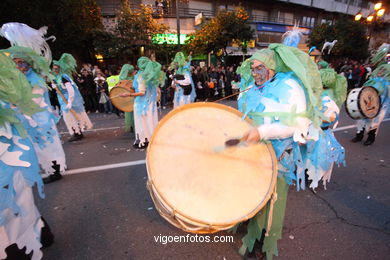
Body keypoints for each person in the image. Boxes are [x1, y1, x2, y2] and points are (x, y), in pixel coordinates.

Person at [236, 30, 326, 258]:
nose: (254, 73)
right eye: (253, 68)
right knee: (255, 195)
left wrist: (263, 131)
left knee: (274, 201)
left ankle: (267, 246)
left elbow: (298, 124)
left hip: (280, 155)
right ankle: (253, 236)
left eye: (260, 68)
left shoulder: (291, 88)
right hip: (256, 153)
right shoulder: (253, 87)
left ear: (272, 68)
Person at [0, 52, 54, 260]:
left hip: (15, 154)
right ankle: (41, 233)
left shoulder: (29, 84)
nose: (19, 67)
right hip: (14, 155)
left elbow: (34, 106)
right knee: (19, 205)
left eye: (20, 63)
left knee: (15, 207)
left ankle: (24, 244)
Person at [120, 57, 164, 149]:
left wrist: (128, 94)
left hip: (141, 103)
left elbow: (141, 92)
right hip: (150, 103)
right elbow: (157, 90)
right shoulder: (151, 75)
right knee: (150, 120)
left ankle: (144, 140)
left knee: (142, 122)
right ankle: (151, 138)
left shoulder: (140, 76)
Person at [351, 43, 389, 145]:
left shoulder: (386, 67)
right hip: (370, 95)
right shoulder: (376, 68)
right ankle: (359, 135)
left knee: (375, 117)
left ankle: (370, 138)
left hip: (381, 96)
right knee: (363, 114)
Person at [52, 53, 93, 142]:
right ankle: (77, 132)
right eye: (53, 68)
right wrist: (54, 86)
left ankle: (77, 133)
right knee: (70, 117)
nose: (54, 70)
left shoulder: (64, 77)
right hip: (63, 100)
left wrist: (70, 101)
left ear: (60, 68)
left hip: (68, 99)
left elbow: (71, 89)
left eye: (56, 68)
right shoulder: (56, 77)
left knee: (71, 117)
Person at [119, 64, 136, 132]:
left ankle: (131, 125)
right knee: (129, 111)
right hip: (128, 95)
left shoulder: (122, 78)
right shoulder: (124, 78)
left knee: (130, 111)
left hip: (129, 95)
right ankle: (132, 126)